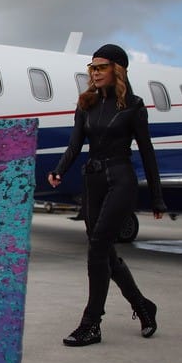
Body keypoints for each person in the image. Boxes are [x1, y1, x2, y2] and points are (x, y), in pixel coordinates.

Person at [47, 43, 166, 347]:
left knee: (98, 247)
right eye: (92, 68)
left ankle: (91, 324)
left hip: (121, 180)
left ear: (117, 70)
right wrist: (59, 170)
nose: (95, 73)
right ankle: (143, 305)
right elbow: (75, 144)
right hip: (93, 182)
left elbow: (147, 152)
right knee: (104, 252)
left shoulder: (134, 106)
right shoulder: (86, 104)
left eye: (101, 67)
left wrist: (156, 196)